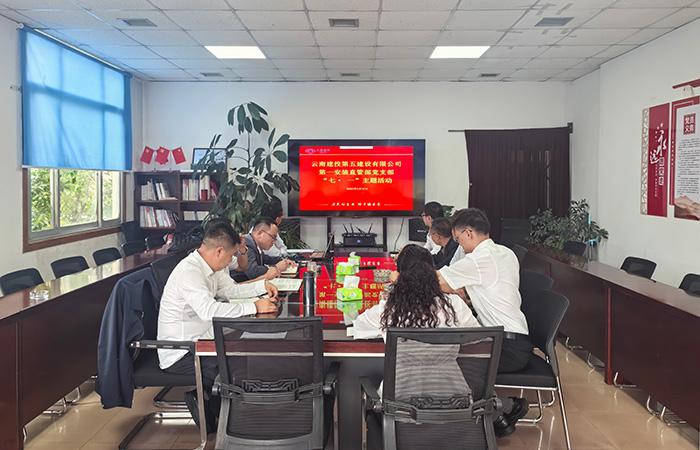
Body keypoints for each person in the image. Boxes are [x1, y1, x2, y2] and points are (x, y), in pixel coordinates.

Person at [157, 219, 279, 432]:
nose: (232, 261)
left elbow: (231, 291)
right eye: (231, 256)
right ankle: (232, 419)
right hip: (182, 351)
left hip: (204, 341)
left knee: (244, 355)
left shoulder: (211, 267)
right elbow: (209, 310)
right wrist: (254, 307)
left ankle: (218, 407)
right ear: (219, 251)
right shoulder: (190, 272)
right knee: (238, 365)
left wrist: (262, 286)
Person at [436, 208, 531, 437]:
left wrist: (398, 277)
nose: (460, 246)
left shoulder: (479, 259)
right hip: (517, 340)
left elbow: (436, 280)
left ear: (468, 233)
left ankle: (503, 409)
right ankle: (499, 415)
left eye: (458, 239)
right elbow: (490, 288)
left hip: (506, 347)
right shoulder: (506, 252)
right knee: (452, 351)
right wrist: (464, 294)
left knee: (447, 360)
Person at [353, 244, 480, 340]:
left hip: (403, 369)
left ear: (399, 275)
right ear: (433, 272)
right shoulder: (454, 305)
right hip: (447, 369)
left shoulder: (387, 310)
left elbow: (358, 327)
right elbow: (478, 337)